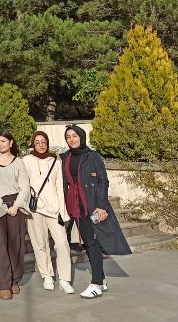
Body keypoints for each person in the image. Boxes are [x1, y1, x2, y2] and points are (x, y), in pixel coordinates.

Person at [62, 124, 131, 299]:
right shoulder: (65, 157)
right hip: (74, 206)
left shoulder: (92, 156)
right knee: (89, 243)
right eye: (68, 137)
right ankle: (101, 278)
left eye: (74, 136)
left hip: (91, 205)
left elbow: (103, 181)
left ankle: (96, 284)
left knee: (92, 243)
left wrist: (101, 206)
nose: (71, 139)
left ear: (81, 136)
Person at [22, 131, 74, 294]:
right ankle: (47, 275)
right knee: (40, 244)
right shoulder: (26, 161)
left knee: (62, 244)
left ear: (47, 142)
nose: (41, 144)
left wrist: (62, 211)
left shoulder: (55, 160)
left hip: (53, 209)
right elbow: (23, 185)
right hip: (35, 209)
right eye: (37, 142)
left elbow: (60, 187)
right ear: (33, 143)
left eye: (43, 141)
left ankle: (65, 279)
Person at [0, 129, 30, 300]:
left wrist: (16, 206)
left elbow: (24, 186)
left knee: (16, 243)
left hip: (15, 204)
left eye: (3, 141)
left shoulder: (18, 162)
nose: (0, 144)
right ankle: (3, 284)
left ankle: (14, 280)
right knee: (1, 243)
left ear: (11, 143)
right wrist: (1, 206)